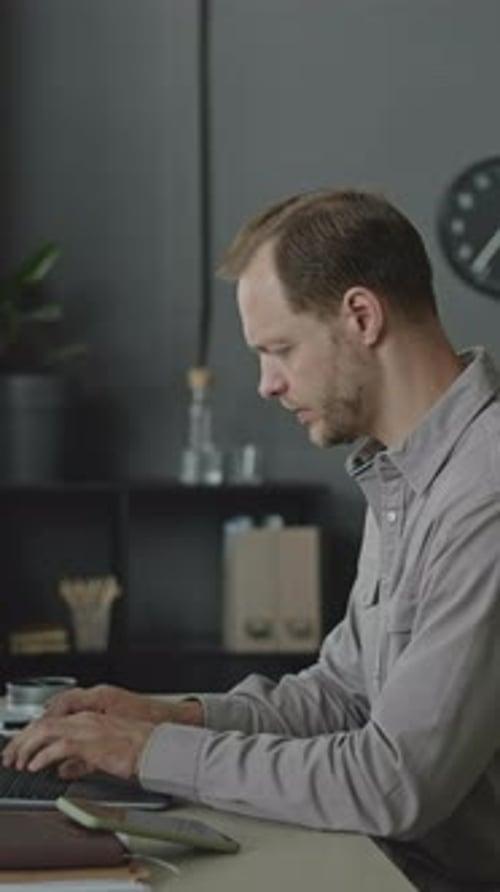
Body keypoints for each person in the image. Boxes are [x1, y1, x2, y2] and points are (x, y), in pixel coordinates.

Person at [4, 189, 500, 891]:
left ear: (361, 316)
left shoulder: (484, 493)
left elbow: (394, 782)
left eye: (279, 349)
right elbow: (343, 697)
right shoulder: (404, 470)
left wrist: (147, 752)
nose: (267, 384)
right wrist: (170, 716)